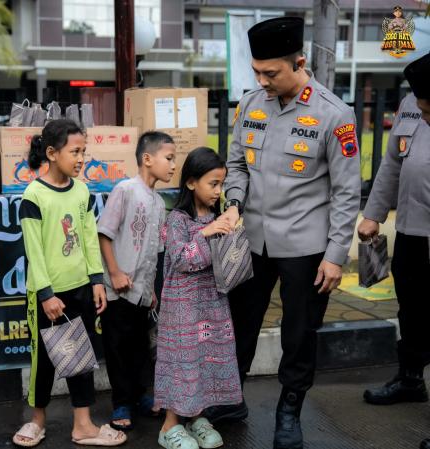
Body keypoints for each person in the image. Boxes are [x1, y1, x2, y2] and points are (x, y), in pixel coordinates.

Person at [221, 17, 361, 449]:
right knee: (238, 325)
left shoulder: (334, 115)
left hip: (306, 247)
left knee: (298, 334)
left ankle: (289, 409)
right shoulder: (249, 105)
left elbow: (346, 191)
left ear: (299, 62)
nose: (261, 81)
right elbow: (237, 164)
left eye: (271, 73)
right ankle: (229, 398)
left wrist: (336, 254)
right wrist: (233, 201)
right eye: (256, 72)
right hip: (252, 240)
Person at [13, 119, 126, 447]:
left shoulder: (82, 191)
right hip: (47, 294)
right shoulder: (34, 195)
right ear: (51, 153)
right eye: (74, 151)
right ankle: (37, 421)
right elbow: (33, 250)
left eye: (84, 152)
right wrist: (46, 294)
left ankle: (83, 425)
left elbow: (90, 239)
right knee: (43, 361)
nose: (81, 158)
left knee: (82, 356)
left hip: (81, 289)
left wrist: (97, 281)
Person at [358, 52, 430, 449]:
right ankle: (410, 379)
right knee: (411, 306)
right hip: (412, 231)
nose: (422, 109)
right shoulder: (409, 104)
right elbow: (392, 163)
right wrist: (373, 214)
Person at [155, 147, 243, 449]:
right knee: (182, 363)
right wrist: (207, 233)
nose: (218, 191)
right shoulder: (177, 218)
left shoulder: (218, 216)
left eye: (221, 184)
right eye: (213, 184)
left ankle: (197, 417)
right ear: (192, 183)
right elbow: (181, 259)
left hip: (212, 303)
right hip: (182, 307)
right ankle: (169, 425)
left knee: (205, 360)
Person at [98, 131, 176, 431]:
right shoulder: (126, 190)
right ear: (147, 158)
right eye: (168, 158)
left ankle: (141, 395)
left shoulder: (158, 202)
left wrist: (152, 289)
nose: (172, 166)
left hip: (142, 292)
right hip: (118, 290)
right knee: (117, 346)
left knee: (140, 346)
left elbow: (154, 252)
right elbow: (105, 233)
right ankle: (121, 402)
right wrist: (115, 272)